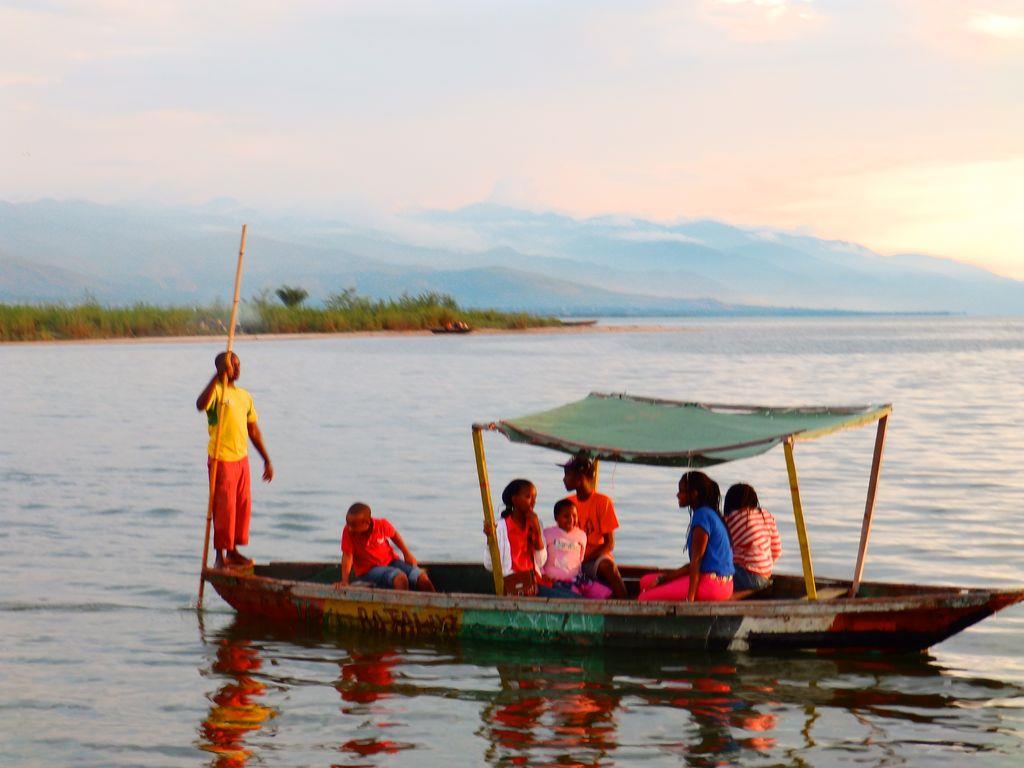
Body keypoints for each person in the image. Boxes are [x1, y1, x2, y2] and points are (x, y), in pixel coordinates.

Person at [196, 351, 273, 568]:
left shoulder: (244, 396)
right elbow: (200, 405)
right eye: (232, 365)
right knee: (224, 508)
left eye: (238, 365)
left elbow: (253, 431)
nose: (237, 369)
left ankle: (232, 551)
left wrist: (266, 459)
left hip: (241, 459)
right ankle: (220, 557)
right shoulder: (217, 392)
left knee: (241, 506)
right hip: (221, 458)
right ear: (223, 368)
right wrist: (216, 376)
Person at [638, 471, 734, 602]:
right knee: (645, 581)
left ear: (694, 494)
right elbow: (695, 564)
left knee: (644, 598)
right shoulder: (708, 513)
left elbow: (697, 561)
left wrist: (690, 598)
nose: (678, 495)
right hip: (718, 582)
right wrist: (663, 579)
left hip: (713, 585)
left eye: (681, 491)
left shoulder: (702, 516)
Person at [484, 479, 577, 598]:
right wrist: (490, 540)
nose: (533, 502)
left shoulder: (536, 523)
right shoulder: (500, 527)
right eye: (528, 497)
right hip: (517, 586)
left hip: (536, 581)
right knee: (572, 600)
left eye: (534, 497)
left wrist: (537, 531)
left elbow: (541, 561)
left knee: (578, 598)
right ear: (514, 499)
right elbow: (490, 565)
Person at [560, 455, 627, 598]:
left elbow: (609, 544)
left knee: (608, 567)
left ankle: (626, 604)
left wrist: (584, 559)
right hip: (572, 557)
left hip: (594, 558)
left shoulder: (603, 502)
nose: (564, 479)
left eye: (567, 475)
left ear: (580, 479)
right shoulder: (567, 503)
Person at [335, 502, 435, 591]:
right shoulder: (348, 532)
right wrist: (345, 581)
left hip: (391, 561)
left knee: (421, 577)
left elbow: (395, 535)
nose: (350, 528)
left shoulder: (381, 525)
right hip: (368, 570)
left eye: (353, 525)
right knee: (400, 578)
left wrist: (407, 554)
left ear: (367, 523)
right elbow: (347, 556)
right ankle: (401, 604)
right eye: (348, 524)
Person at [723, 483, 781, 593]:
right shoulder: (765, 515)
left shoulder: (733, 518)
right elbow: (776, 551)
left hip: (747, 577)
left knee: (715, 571)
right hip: (766, 575)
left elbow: (720, 551)